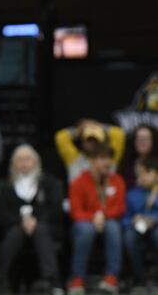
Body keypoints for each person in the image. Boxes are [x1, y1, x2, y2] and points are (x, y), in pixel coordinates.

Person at [0, 144, 64, 295]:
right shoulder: (7, 186)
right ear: (13, 164)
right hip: (15, 229)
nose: (23, 163)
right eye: (19, 160)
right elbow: (1, 213)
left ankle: (52, 281)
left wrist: (35, 220)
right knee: (15, 233)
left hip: (45, 229)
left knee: (41, 230)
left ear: (36, 162)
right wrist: (21, 221)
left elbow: (55, 209)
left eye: (27, 159)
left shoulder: (49, 183)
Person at [68, 143, 126, 295]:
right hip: (86, 223)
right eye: (102, 158)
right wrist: (94, 217)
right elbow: (75, 212)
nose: (107, 162)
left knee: (113, 226)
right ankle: (77, 278)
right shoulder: (79, 182)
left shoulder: (117, 180)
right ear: (91, 161)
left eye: (109, 158)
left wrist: (103, 215)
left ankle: (112, 277)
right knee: (85, 229)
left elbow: (120, 208)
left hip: (108, 221)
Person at [122, 156, 158, 294]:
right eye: (138, 173)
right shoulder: (131, 194)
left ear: (155, 173)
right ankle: (140, 278)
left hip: (155, 226)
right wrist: (132, 220)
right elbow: (124, 218)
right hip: (136, 227)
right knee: (129, 237)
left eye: (144, 172)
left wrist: (154, 219)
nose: (140, 177)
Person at [56, 119, 126, 184]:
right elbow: (61, 137)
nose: (92, 143)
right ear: (82, 141)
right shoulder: (74, 158)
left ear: (102, 141)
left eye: (96, 140)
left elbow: (119, 134)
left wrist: (99, 126)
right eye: (89, 140)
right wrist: (78, 130)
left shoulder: (109, 158)